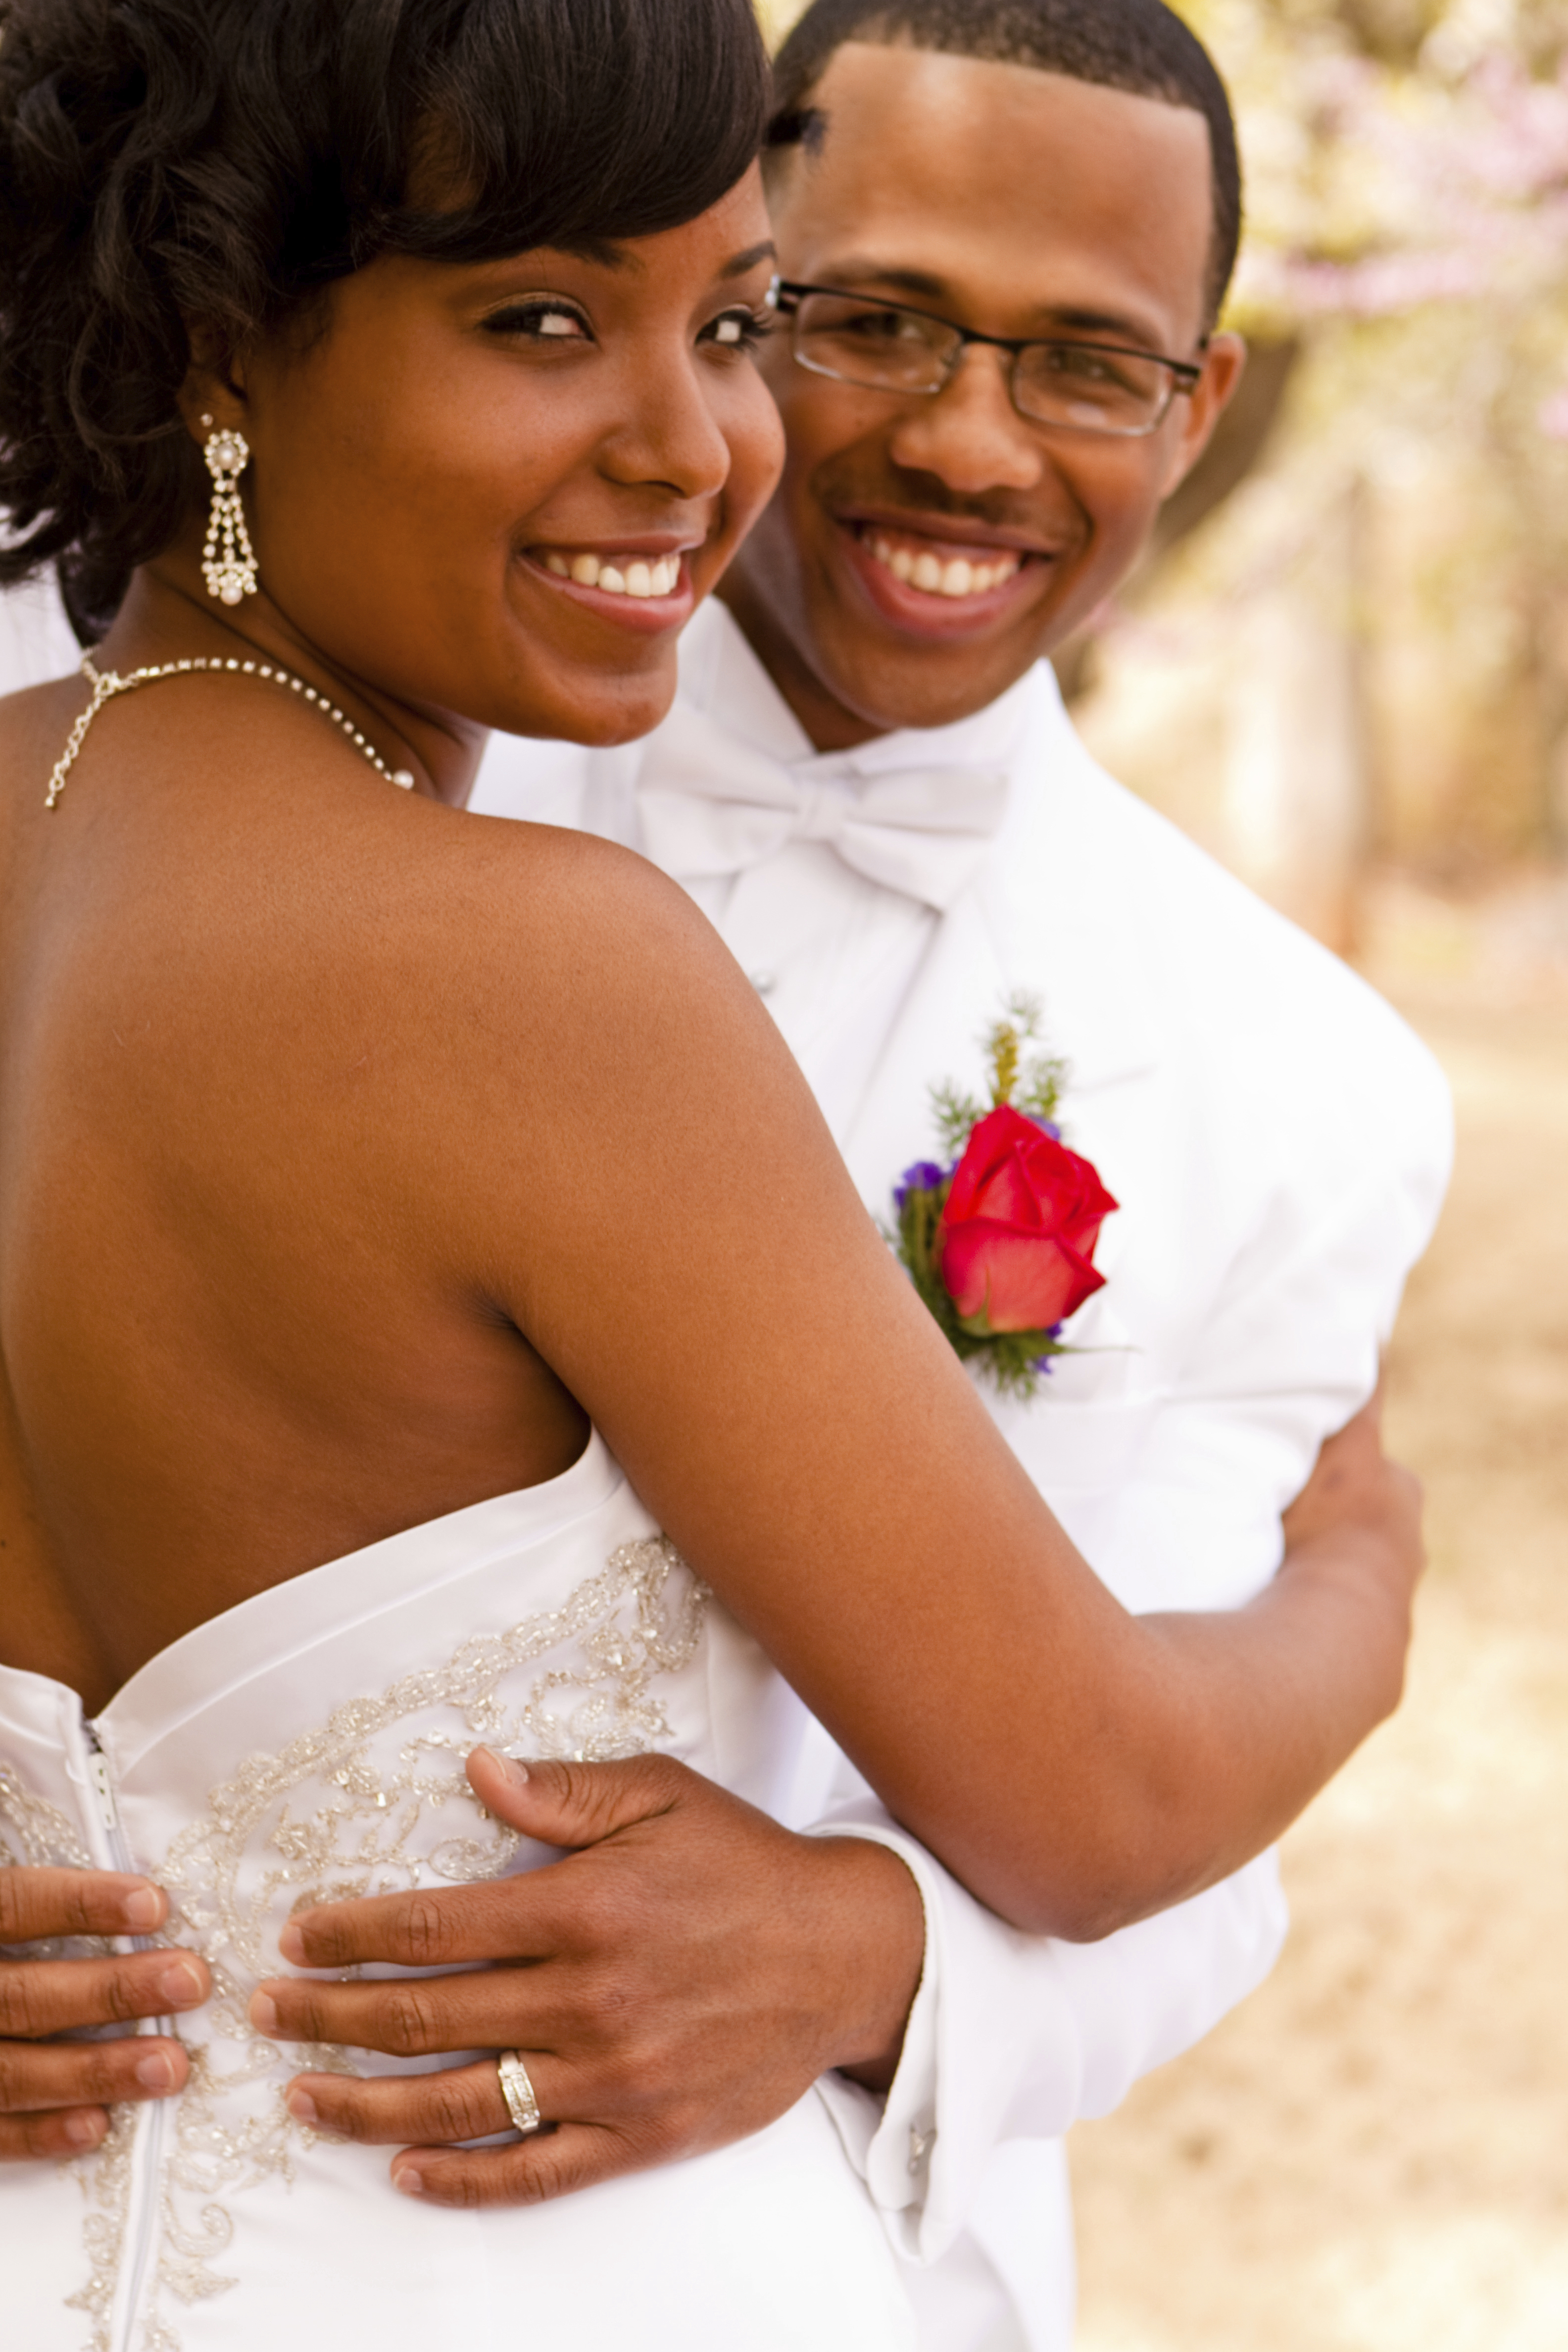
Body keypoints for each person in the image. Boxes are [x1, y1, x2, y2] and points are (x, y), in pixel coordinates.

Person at [0, 1, 1428, 2349]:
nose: (697, 444)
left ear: (1205, 401)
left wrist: (870, 1944)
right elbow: (1096, 1800)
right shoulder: (540, 962)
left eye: (732, 323)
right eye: (543, 323)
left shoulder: (36, 805)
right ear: (219, 343)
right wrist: (1363, 1595)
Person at [454, 2, 1454, 2347]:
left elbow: (1192, 1819)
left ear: (1197, 407)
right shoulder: (362, 787)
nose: (966, 442)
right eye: (872, 323)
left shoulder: (1308, 1082)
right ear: (728, 302)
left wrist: (874, 1952)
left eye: (1085, 365)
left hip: (838, 2260)